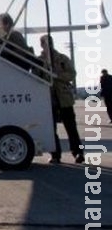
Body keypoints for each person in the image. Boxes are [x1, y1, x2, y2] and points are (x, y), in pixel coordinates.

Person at [41, 35, 84, 164]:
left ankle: (78, 152)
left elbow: (72, 74)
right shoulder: (40, 59)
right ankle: (56, 154)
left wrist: (57, 75)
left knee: (71, 128)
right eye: (44, 43)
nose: (46, 46)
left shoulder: (62, 59)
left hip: (64, 99)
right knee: (51, 129)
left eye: (48, 43)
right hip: (49, 99)